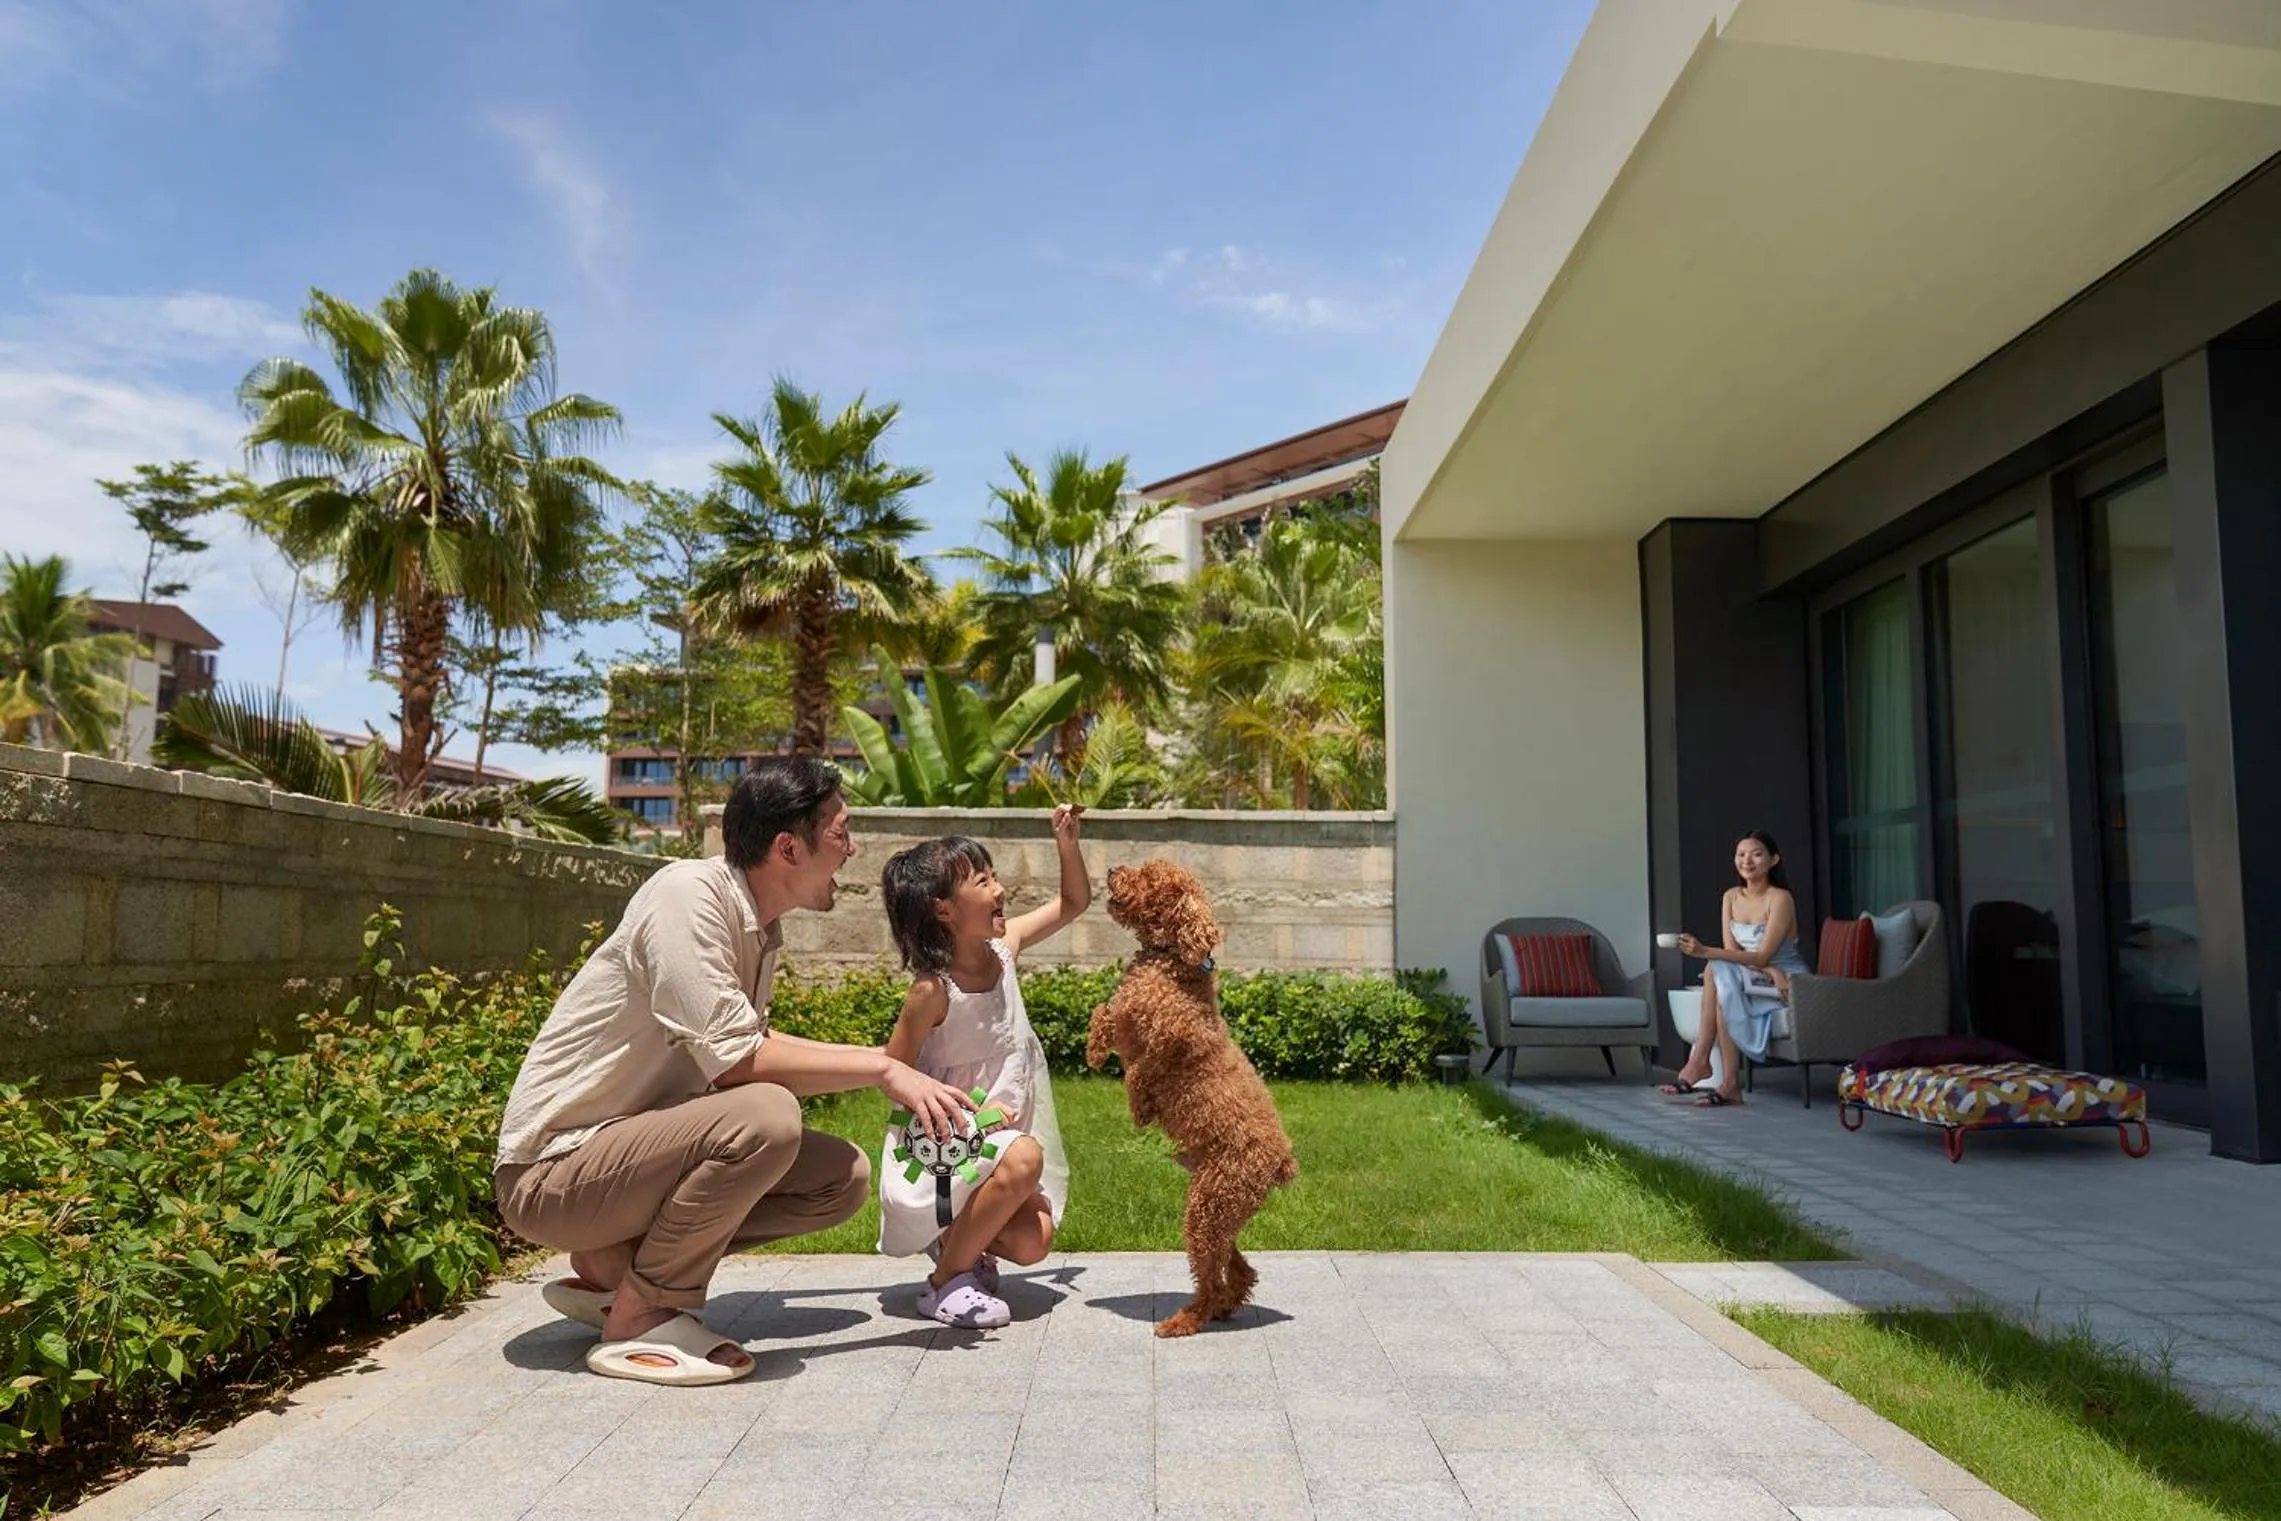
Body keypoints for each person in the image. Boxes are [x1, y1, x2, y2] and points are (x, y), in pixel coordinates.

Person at [491, 756, 977, 1386]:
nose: (852, 849)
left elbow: (750, 1040)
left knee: (841, 1177)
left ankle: (617, 1269)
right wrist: (884, 1072)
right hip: (551, 1175)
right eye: (840, 832)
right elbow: (737, 1060)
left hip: (619, 1161)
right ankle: (642, 1315)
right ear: (788, 847)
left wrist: (886, 1065)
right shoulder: (687, 895)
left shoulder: (755, 926)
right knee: (767, 1116)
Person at [875, 804, 1087, 1329]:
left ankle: (957, 1239)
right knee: (1024, 1158)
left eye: (994, 876)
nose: (1000, 890)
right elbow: (892, 1073)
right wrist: (962, 1118)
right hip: (954, 1144)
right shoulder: (932, 991)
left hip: (1000, 1136)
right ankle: (946, 1281)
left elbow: (1072, 903)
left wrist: (1066, 842)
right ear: (943, 908)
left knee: (1034, 1241)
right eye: (983, 881)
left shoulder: (1005, 950)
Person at [1658, 829, 1809, 1108]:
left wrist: (1704, 951)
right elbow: (1732, 953)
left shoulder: (1780, 899)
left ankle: (1706, 1066)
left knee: (1716, 970)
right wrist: (1768, 969)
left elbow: (1762, 955)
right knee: (1719, 972)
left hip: (1787, 980)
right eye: (1741, 854)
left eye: (1756, 854)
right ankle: (1721, 1079)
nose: (1746, 861)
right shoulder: (1731, 896)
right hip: (1760, 974)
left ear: (1774, 860)